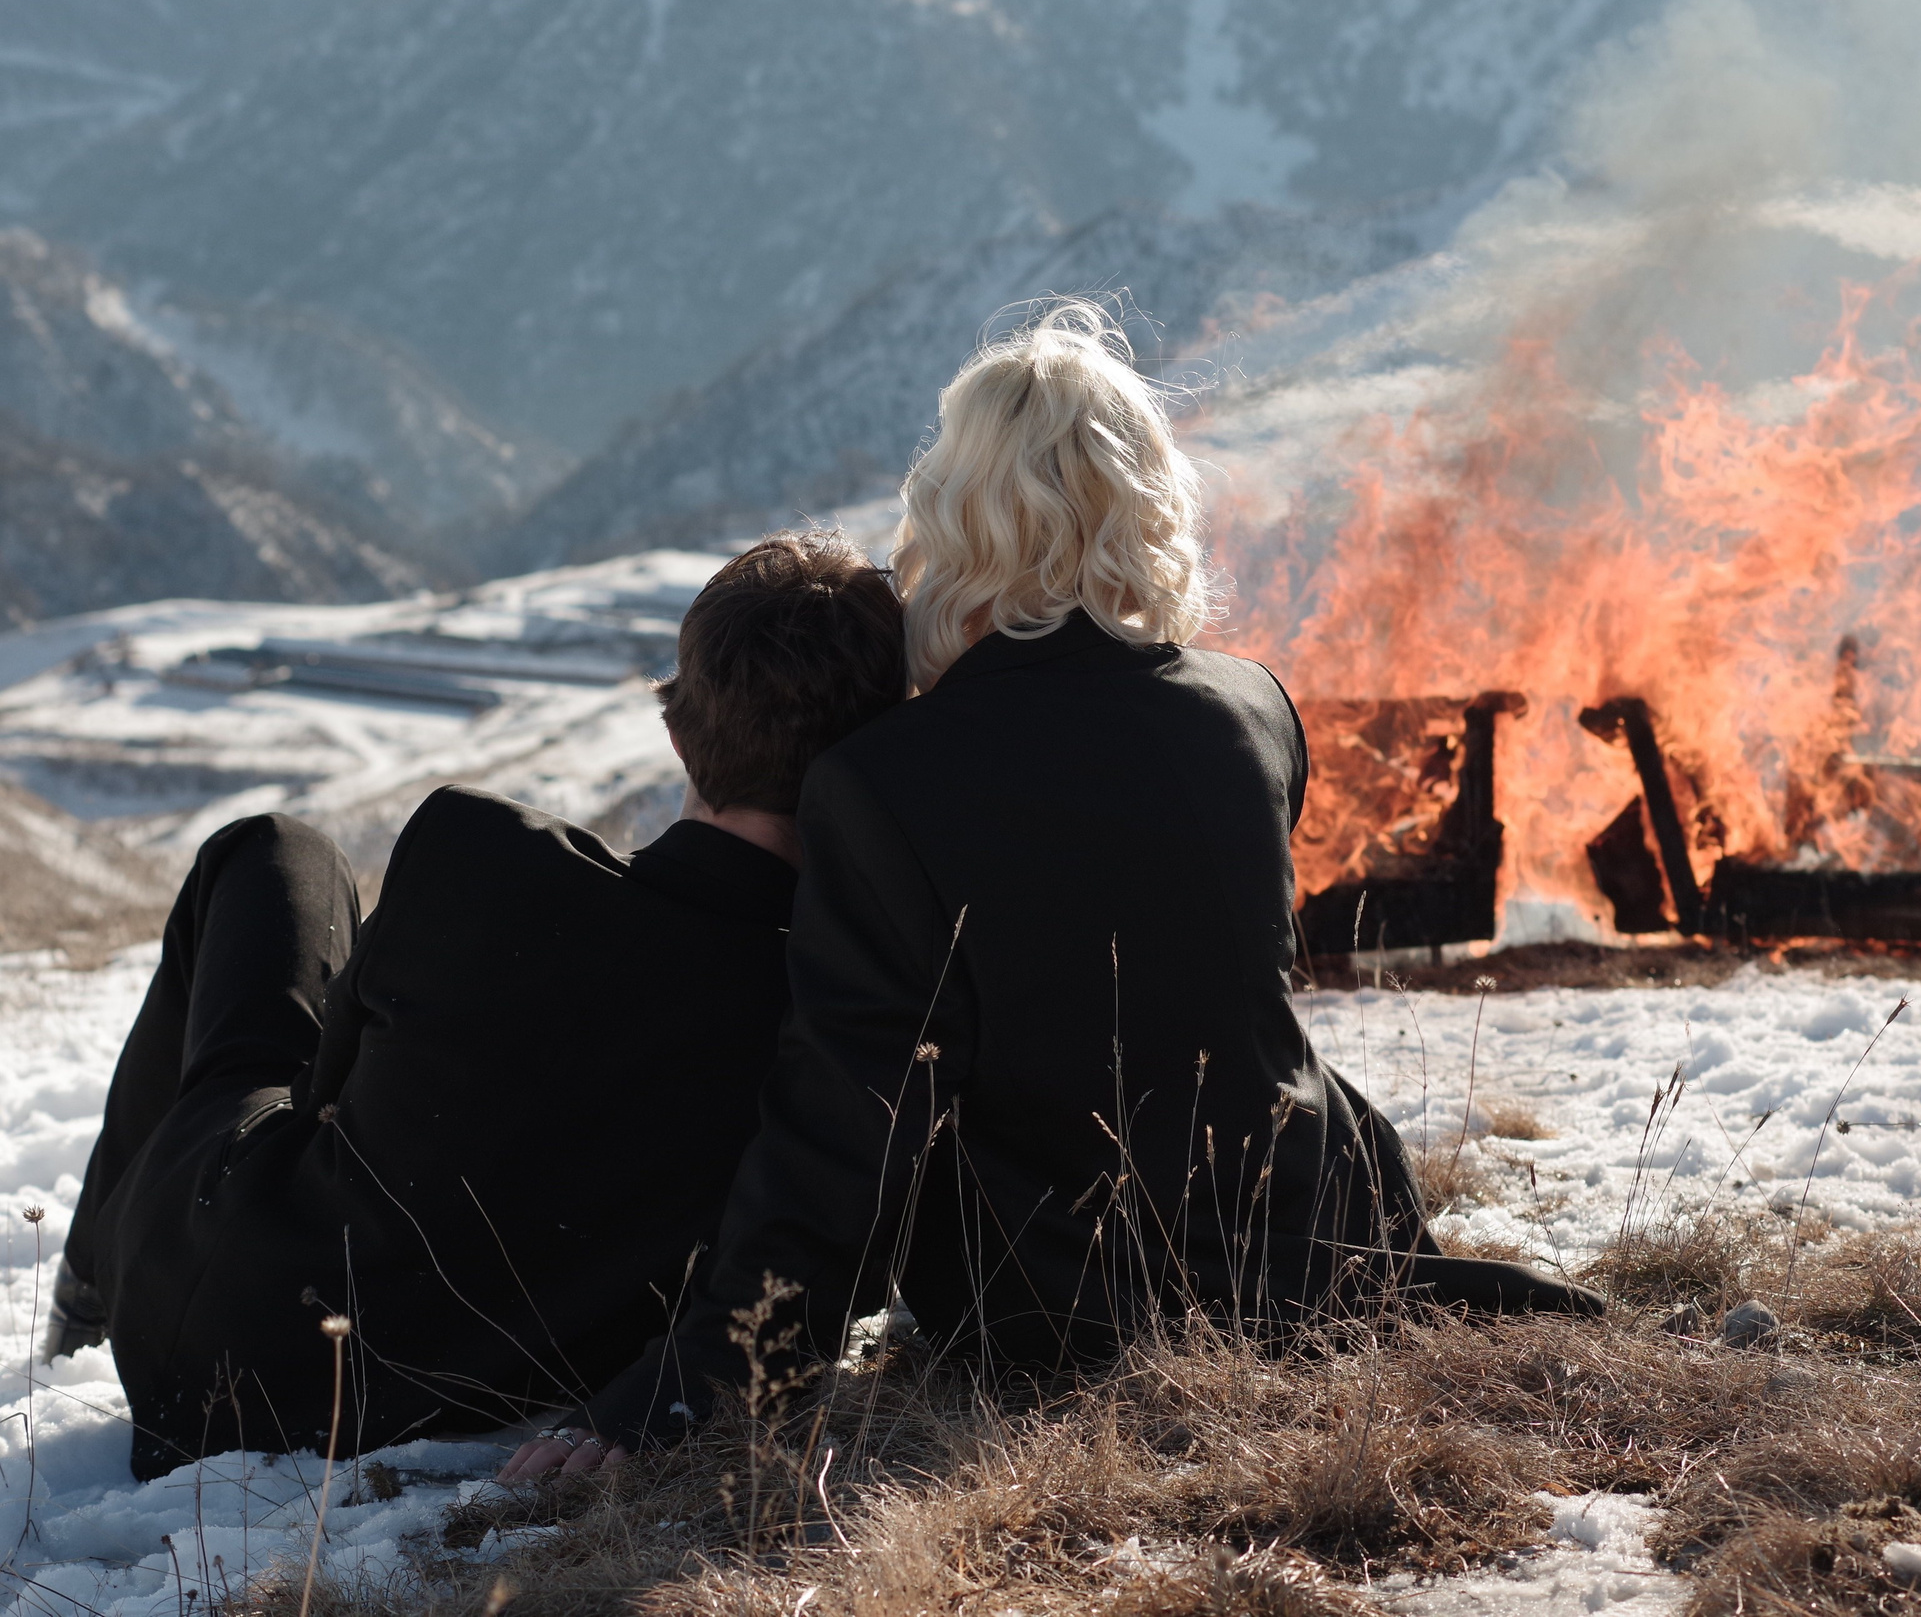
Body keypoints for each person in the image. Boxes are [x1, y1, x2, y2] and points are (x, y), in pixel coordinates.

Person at [512, 302, 1597, 1478]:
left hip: (1073, 1303)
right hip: (1318, 1226)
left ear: (947, 516)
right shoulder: (1252, 707)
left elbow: (846, 1130)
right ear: (1148, 503)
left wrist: (682, 1393)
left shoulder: (880, 784)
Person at [55, 531, 905, 1480]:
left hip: (205, 1297)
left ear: (678, 731)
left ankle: (88, 1282)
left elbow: (321, 1085)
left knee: (270, 851)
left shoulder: (479, 852)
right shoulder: (832, 1030)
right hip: (436, 1394)